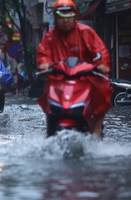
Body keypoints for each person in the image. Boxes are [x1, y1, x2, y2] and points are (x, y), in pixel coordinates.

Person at [36, 0, 112, 138]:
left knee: (103, 88)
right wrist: (44, 64)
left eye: (69, 17)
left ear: (74, 16)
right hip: (59, 78)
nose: (65, 21)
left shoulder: (86, 32)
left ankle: (97, 128)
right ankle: (50, 128)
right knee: (47, 94)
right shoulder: (50, 37)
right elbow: (43, 55)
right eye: (61, 17)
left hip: (87, 78)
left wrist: (102, 65)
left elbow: (100, 51)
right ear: (55, 17)